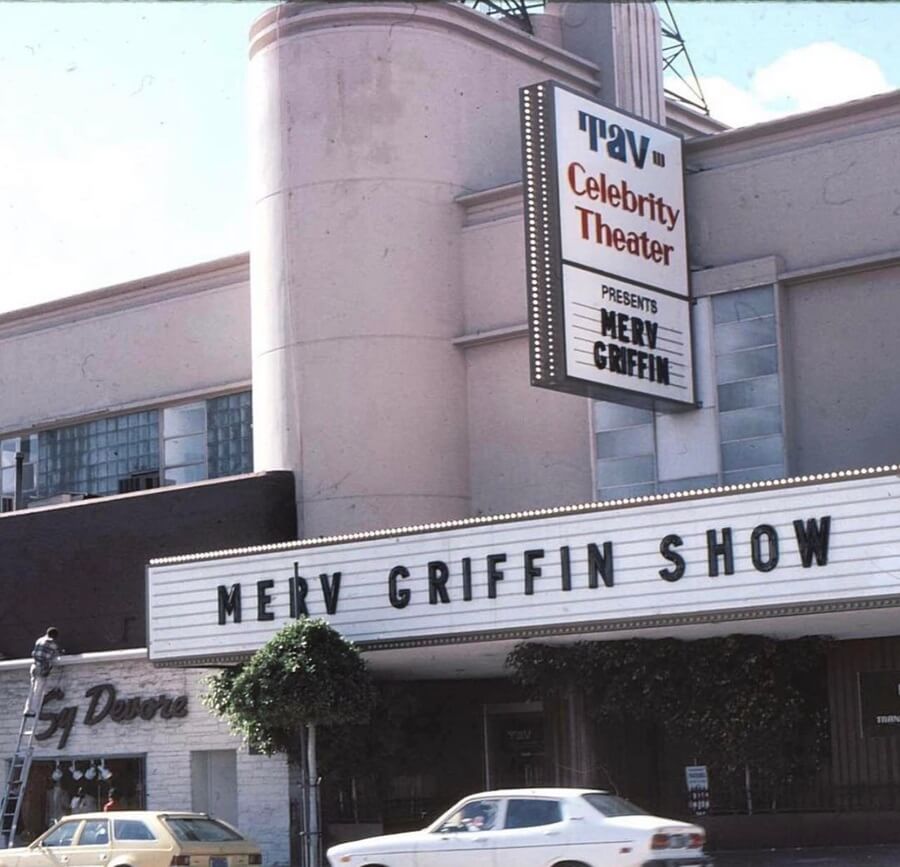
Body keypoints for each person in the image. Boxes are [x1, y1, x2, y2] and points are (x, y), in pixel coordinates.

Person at [24, 628, 61, 716]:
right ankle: (34, 710)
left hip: (34, 666)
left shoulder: (39, 640)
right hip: (41, 668)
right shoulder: (51, 643)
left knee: (32, 689)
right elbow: (54, 654)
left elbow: (36, 653)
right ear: (54, 636)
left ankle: (27, 709)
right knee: (38, 690)